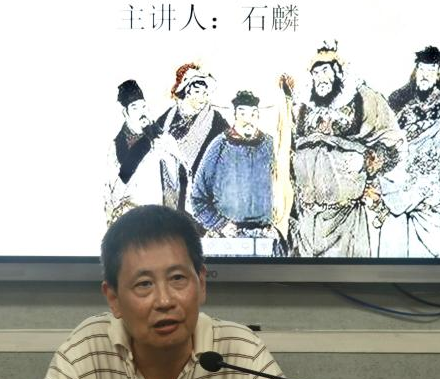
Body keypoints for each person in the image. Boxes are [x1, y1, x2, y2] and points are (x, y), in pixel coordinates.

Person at [3, 205, 338, 379]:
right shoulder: (89, 346)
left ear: (201, 283)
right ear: (113, 298)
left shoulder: (237, 350)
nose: (164, 301)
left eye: (178, 278)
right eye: (144, 284)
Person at [277, 42, 404, 257]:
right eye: (316, 73)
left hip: (346, 216)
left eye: (325, 70)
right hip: (308, 218)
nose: (320, 78)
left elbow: (390, 138)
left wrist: (369, 164)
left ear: (338, 71)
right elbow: (292, 146)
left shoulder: (363, 98)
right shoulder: (306, 106)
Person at [378, 46, 440, 257]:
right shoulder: (399, 109)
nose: (425, 75)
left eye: (430, 70)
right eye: (421, 69)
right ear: (415, 71)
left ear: (439, 73)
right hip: (413, 211)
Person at [190, 90, 282, 253]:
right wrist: (220, 224)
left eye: (253, 114)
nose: (248, 120)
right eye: (242, 114)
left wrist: (277, 226)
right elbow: (198, 199)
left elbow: (287, 191)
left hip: (265, 241)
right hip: (229, 241)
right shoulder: (219, 146)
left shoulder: (270, 145)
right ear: (234, 115)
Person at [152, 63, 230, 213]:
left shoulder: (216, 120)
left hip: (201, 194)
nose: (202, 97)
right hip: (170, 191)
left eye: (205, 92)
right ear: (187, 91)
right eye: (197, 91)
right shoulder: (168, 118)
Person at [103, 79, 164, 224]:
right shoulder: (116, 146)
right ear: (126, 112)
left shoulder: (161, 139)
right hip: (128, 217)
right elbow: (110, 190)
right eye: (135, 107)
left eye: (143, 106)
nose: (142, 112)